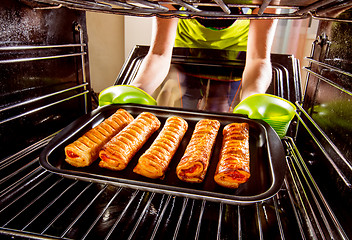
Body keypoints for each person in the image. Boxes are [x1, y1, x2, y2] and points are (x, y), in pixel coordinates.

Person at [130, 6, 278, 111]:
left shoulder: (264, 1)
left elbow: (258, 58)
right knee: (184, 111)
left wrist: (253, 98)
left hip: (238, 56)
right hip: (186, 53)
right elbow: (159, 54)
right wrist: (137, 88)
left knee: (223, 109)